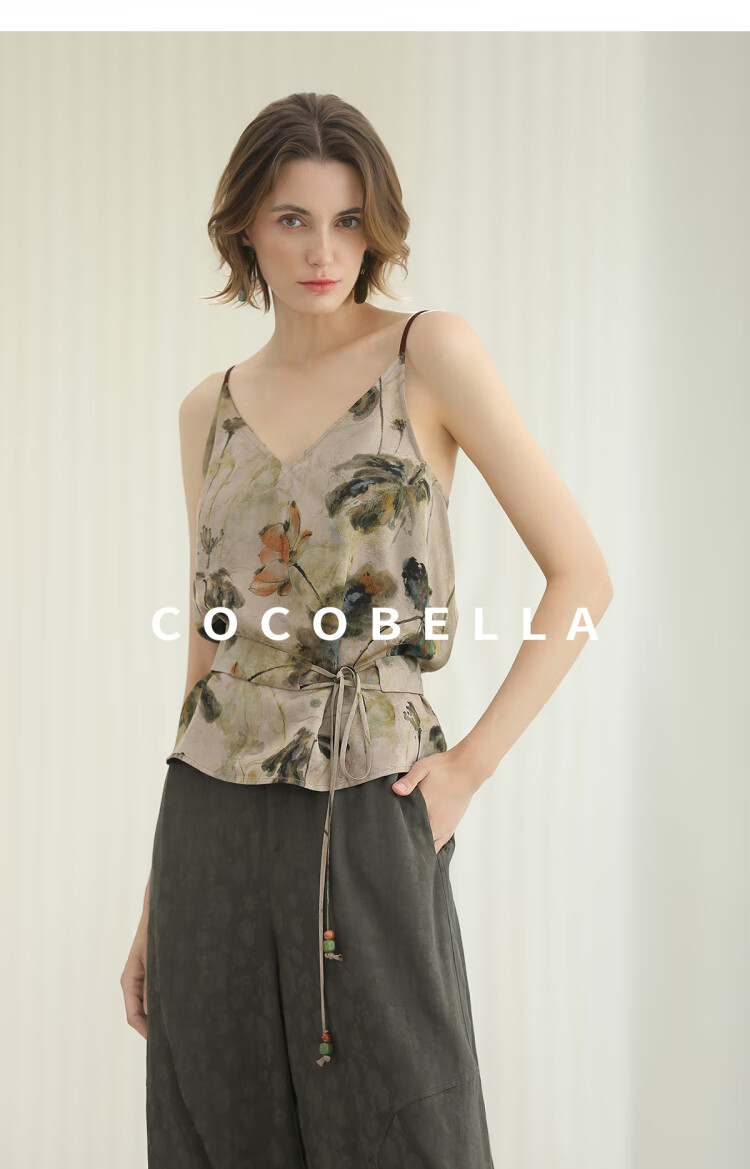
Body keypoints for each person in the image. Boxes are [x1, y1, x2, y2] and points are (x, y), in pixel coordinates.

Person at [121, 91, 613, 1168]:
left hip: (373, 803)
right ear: (245, 228)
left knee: (404, 1124)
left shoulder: (428, 355)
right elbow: (210, 647)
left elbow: (583, 576)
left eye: (349, 221)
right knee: (220, 1125)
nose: (323, 251)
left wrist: (467, 768)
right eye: (293, 218)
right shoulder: (209, 409)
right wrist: (157, 896)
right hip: (208, 820)